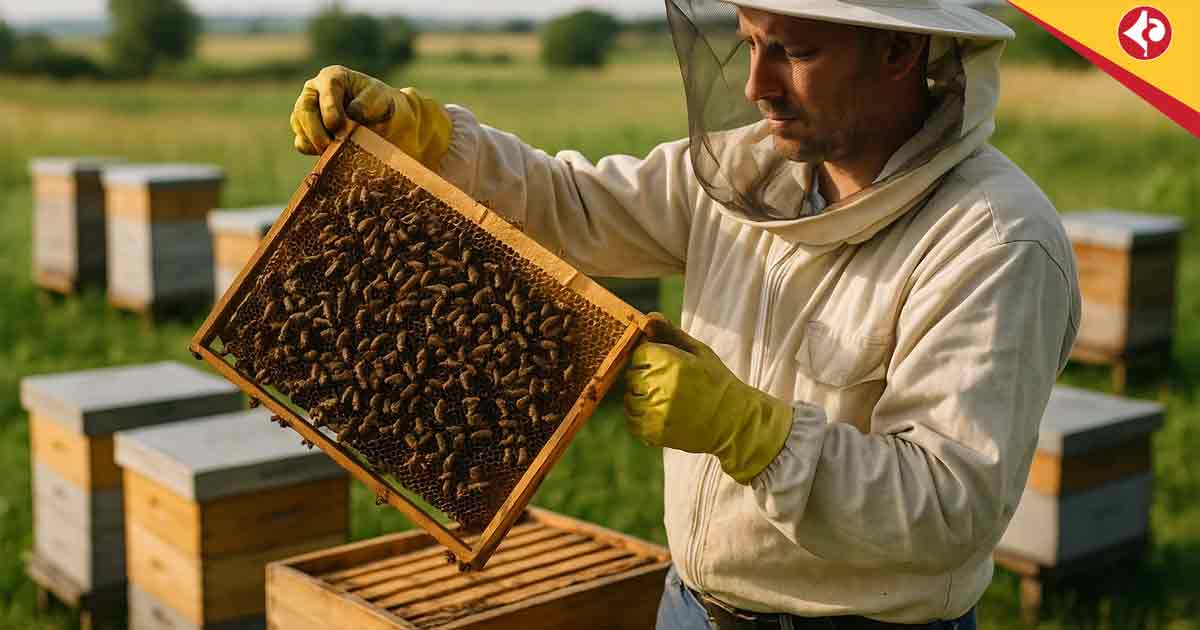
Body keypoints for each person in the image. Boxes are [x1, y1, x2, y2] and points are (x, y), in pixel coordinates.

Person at [290, 1, 1081, 627]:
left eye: (795, 52)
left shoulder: (993, 238)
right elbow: (571, 205)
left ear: (901, 51)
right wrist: (430, 139)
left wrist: (755, 433)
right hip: (692, 610)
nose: (755, 85)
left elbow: (950, 507)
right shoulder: (750, 169)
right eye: (750, 42)